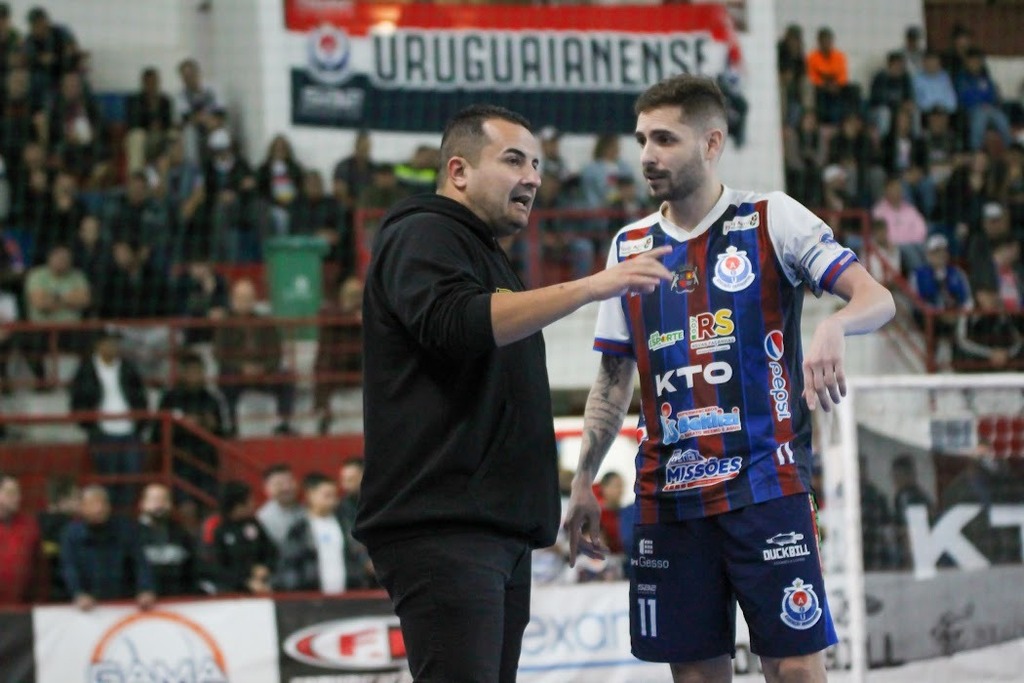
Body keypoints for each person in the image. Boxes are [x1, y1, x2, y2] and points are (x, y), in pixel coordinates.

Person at [563, 75, 895, 683]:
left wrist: (836, 326)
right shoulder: (630, 245)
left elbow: (877, 298)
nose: (647, 156)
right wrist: (584, 479)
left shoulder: (772, 217)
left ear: (712, 143)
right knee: (693, 676)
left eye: (665, 139)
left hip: (767, 485)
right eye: (641, 140)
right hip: (668, 495)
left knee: (795, 669)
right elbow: (614, 377)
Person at [355, 103, 673, 682]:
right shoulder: (423, 232)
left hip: (491, 530)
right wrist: (592, 286)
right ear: (458, 172)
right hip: (445, 527)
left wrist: (566, 497)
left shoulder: (489, 257)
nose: (532, 176)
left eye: (537, 164)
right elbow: (458, 324)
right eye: (513, 160)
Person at [69, 330, 149, 510]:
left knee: (132, 479)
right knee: (107, 481)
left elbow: (140, 398)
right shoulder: (86, 369)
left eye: (115, 343)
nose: (112, 347)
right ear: (98, 345)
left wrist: (139, 423)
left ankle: (126, 518)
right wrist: (89, 425)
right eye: (108, 342)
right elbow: (77, 400)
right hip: (102, 432)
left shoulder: (128, 368)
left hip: (130, 431)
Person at [214, 278, 296, 436]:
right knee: (225, 381)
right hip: (236, 373)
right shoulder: (225, 325)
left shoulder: (265, 322)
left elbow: (276, 352)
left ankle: (284, 423)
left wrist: (263, 368)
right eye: (240, 298)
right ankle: (231, 426)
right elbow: (219, 354)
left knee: (287, 378)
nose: (244, 302)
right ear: (233, 300)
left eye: (248, 298)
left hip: (264, 372)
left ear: (254, 300)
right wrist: (242, 368)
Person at [60, 485, 156, 611]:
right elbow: (69, 567)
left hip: (124, 603)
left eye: (102, 503)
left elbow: (140, 563)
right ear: (82, 507)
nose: (99, 509)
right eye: (93, 504)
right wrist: (78, 593)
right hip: (88, 605)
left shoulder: (125, 530)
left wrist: (145, 589)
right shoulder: (71, 534)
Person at [275, 472, 365, 593]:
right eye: (327, 495)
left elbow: (357, 555)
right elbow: (290, 564)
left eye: (335, 495)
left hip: (349, 593)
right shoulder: (299, 529)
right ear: (311, 495)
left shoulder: (346, 524)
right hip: (310, 596)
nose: (333, 500)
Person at [209, 480, 276, 594]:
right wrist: (246, 581)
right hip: (232, 592)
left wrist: (265, 568)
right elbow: (220, 568)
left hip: (263, 586)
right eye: (249, 501)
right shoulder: (220, 531)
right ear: (237, 506)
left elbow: (271, 551)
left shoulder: (254, 524)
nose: (253, 504)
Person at [137, 483, 200, 597]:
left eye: (164, 500)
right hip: (140, 605)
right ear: (142, 504)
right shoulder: (131, 534)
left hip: (178, 602)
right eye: (155, 500)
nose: (160, 504)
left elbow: (193, 568)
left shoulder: (181, 534)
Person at [0, 472, 42, 605]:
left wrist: (39, 601)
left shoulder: (30, 526)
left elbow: (40, 568)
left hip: (22, 609)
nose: (18, 498)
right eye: (11, 493)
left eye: (18, 493)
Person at [255, 463, 303, 550]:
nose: (286, 487)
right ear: (267, 489)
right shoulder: (262, 519)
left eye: (290, 482)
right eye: (279, 484)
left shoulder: (306, 510)